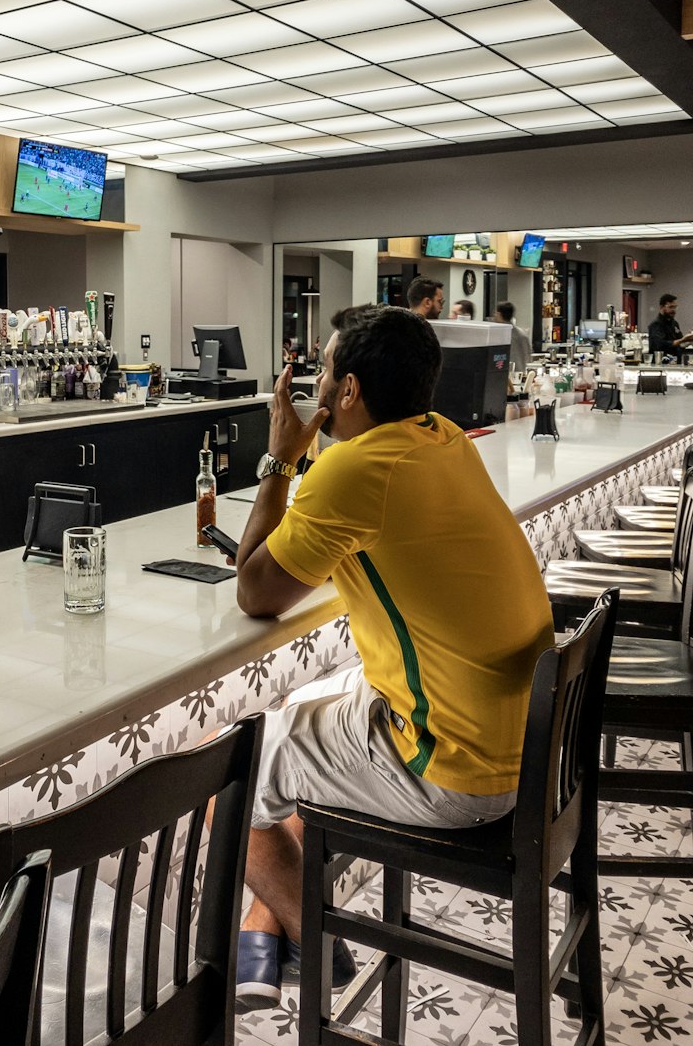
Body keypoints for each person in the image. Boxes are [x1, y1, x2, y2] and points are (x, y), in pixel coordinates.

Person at [230, 305, 554, 1012]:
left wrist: (281, 454)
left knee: (229, 766)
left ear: (348, 391)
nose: (312, 385)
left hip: (455, 772)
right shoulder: (445, 438)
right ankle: (273, 919)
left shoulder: (349, 472)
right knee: (298, 713)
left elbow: (254, 590)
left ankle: (317, 946)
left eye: (321, 371)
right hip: (524, 743)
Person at [648, 294, 693, 361]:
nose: (673, 310)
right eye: (671, 307)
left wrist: (688, 339)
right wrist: (683, 340)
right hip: (661, 363)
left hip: (676, 362)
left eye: (675, 307)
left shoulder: (674, 323)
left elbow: (680, 342)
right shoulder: (656, 325)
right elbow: (659, 345)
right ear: (661, 307)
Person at [494, 300, 531, 372]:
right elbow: (528, 356)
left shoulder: (501, 335)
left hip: (508, 375)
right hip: (522, 373)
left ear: (499, 314)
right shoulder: (522, 334)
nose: (494, 315)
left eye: (495, 313)